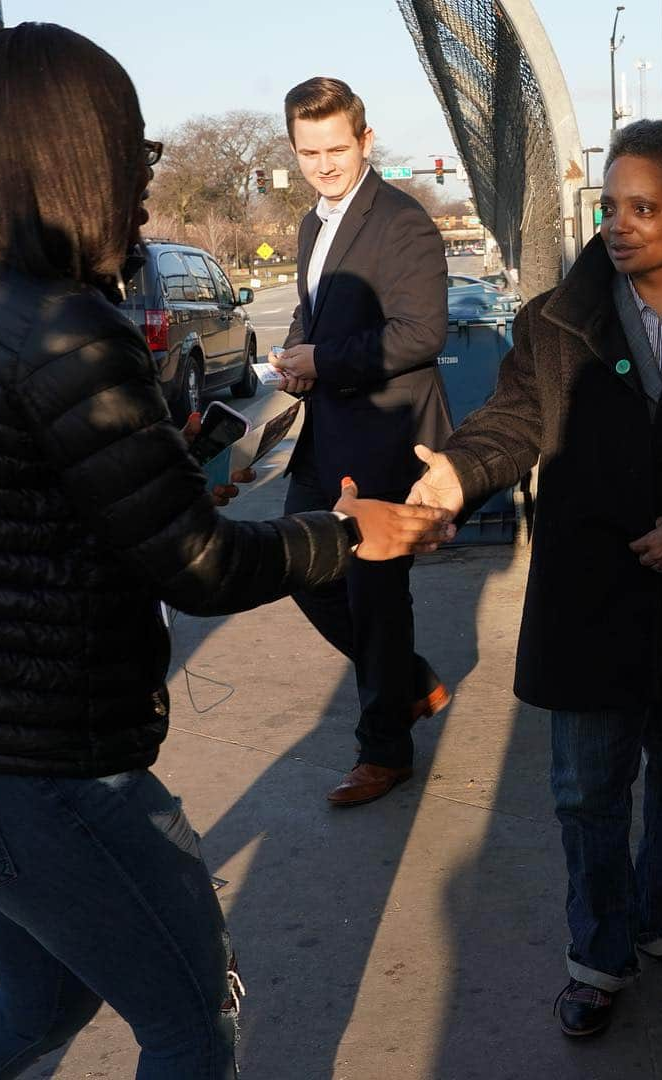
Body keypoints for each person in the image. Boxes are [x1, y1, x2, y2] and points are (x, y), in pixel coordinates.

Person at [0, 25, 454, 1080]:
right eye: (132, 150)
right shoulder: (62, 326)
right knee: (192, 1016)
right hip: (36, 767)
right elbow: (201, 568)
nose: (142, 182)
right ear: (69, 156)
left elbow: (23, 505)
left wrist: (169, 470)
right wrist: (347, 534)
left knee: (41, 1004)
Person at [408, 119, 662, 1037]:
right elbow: (513, 421)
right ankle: (598, 954)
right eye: (610, 205)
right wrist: (456, 475)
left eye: (643, 208)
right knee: (587, 791)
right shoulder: (553, 320)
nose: (620, 225)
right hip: (593, 597)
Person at [270, 76, 454, 807]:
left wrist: (326, 362)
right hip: (328, 434)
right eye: (309, 151)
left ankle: (385, 751)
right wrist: (294, 356)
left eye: (336, 148)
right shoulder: (312, 223)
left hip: (385, 438)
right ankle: (407, 683)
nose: (324, 164)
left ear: (365, 140)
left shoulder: (402, 221)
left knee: (375, 597)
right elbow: (314, 319)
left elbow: (421, 334)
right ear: (293, 148)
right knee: (300, 571)